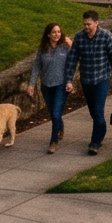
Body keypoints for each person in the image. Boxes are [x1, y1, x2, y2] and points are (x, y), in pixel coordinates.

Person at [72, 9, 112, 155]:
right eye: (84, 24)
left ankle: (95, 142)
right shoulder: (79, 37)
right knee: (93, 112)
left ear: (96, 23)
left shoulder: (106, 36)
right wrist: (69, 80)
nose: (86, 27)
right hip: (86, 80)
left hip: (102, 79)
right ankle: (101, 131)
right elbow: (72, 59)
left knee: (97, 110)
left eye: (89, 24)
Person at [34, 22, 75, 153]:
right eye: (54, 32)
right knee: (53, 113)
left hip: (62, 85)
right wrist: (31, 84)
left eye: (58, 32)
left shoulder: (65, 46)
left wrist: (69, 81)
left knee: (56, 113)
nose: (57, 34)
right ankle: (60, 126)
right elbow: (36, 67)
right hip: (46, 85)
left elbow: (75, 58)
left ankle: (53, 141)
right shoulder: (42, 49)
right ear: (48, 35)